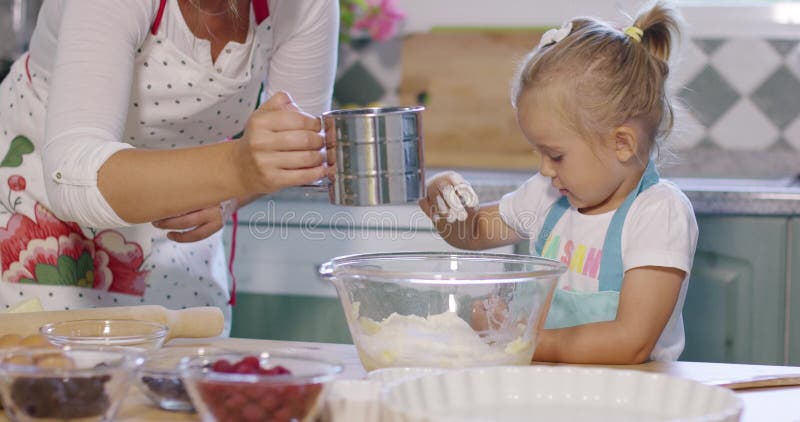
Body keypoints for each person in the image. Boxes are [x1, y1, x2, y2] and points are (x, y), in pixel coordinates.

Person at [0, 0, 338, 331]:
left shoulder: (306, 5)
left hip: (181, 224)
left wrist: (231, 193)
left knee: (177, 374)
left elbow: (294, 148)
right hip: (41, 212)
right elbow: (71, 175)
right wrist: (236, 168)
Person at [420, 1, 698, 364]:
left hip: (632, 398)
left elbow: (631, 342)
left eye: (556, 155)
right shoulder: (547, 196)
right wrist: (443, 202)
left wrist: (518, 340)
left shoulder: (657, 213)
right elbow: (472, 231)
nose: (546, 170)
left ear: (622, 144)